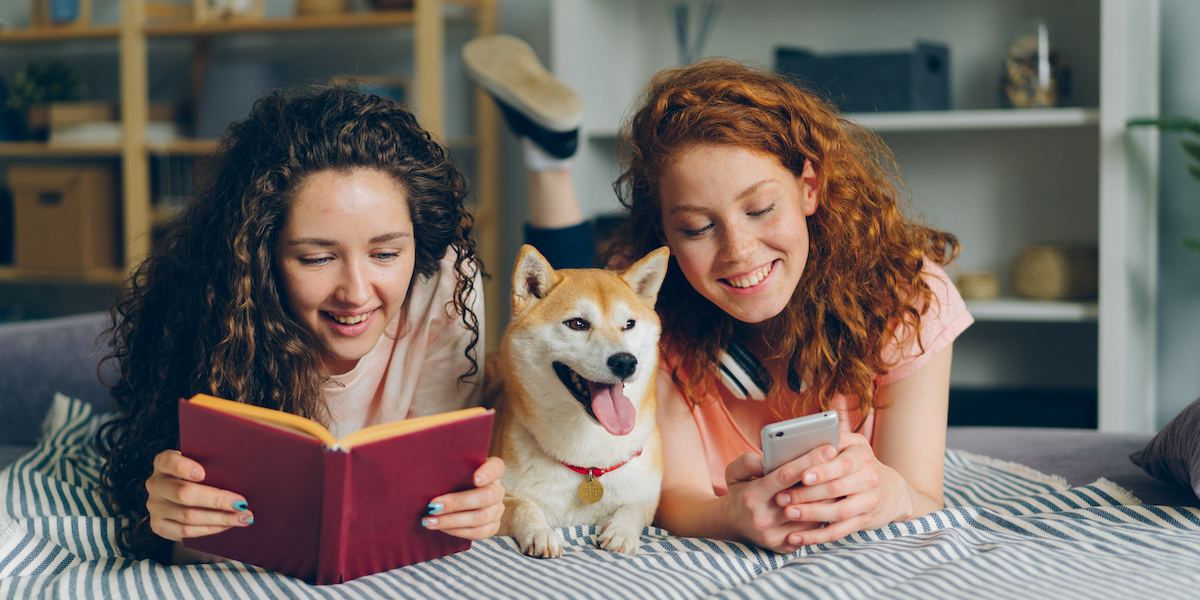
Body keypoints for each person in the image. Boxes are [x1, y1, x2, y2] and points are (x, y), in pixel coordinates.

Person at [465, 36, 971, 554]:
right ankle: (551, 159)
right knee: (572, 297)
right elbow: (677, 497)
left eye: (759, 210)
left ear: (810, 188)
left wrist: (894, 495)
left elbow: (923, 495)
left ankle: (550, 155)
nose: (739, 251)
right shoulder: (642, 318)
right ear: (664, 233)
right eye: (697, 227)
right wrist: (731, 514)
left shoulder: (910, 300)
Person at [95, 86, 506, 565]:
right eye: (317, 258)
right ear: (260, 258)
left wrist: (471, 506)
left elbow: (436, 489)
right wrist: (177, 522)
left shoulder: (445, 281)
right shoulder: (225, 309)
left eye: (387, 254)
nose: (355, 291)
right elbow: (211, 531)